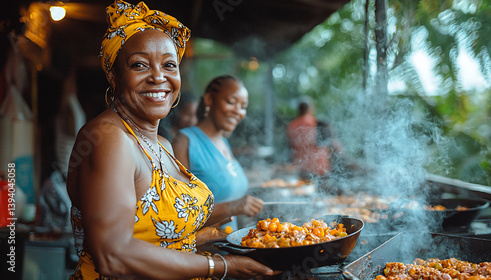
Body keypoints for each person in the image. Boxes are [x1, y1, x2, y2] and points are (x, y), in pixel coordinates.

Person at [66, 1, 276, 279]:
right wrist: (223, 266)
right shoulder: (108, 138)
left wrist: (200, 239)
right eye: (139, 65)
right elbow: (112, 255)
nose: (158, 77)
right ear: (113, 76)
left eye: (169, 65)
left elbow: (149, 238)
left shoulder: (162, 144)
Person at [172, 75, 264, 232]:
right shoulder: (185, 142)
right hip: (203, 253)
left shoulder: (224, 143)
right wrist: (234, 207)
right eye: (231, 102)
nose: (238, 111)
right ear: (209, 99)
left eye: (243, 106)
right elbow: (178, 212)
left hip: (229, 248)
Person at [286, 98, 341, 177]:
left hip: (300, 170)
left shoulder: (291, 126)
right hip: (319, 170)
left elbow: (290, 149)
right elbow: (335, 147)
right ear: (311, 109)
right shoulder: (319, 123)